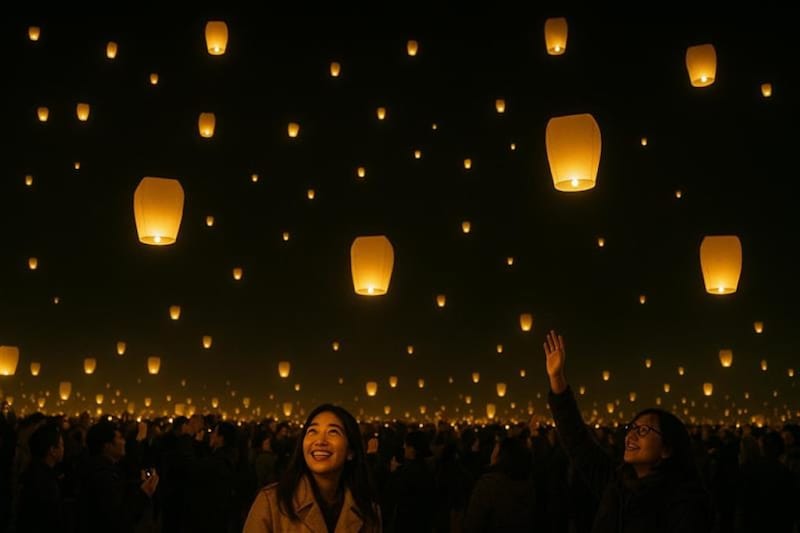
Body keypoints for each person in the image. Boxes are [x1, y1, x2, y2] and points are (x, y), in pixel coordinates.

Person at [543, 330, 712, 532]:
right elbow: (578, 441)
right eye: (631, 428)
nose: (631, 435)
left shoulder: (685, 503)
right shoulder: (617, 484)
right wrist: (557, 379)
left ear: (666, 449)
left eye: (643, 430)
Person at [244, 404, 380, 532]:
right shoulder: (272, 503)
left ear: (350, 451)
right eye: (312, 431)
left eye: (333, 432)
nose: (320, 441)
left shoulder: (367, 511)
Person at [15, 422, 65, 532]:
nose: (63, 449)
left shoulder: (32, 472)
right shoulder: (45, 482)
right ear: (52, 450)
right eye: (61, 445)